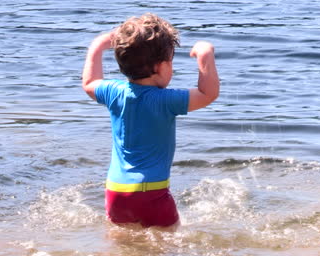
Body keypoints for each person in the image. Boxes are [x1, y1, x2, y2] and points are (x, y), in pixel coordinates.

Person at [82, 13, 219, 229]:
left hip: (115, 192)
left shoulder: (113, 92)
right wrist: (205, 56)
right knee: (169, 242)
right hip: (152, 193)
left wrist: (97, 46)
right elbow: (207, 94)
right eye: (171, 63)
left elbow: (89, 82)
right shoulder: (166, 100)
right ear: (160, 67)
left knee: (122, 241)